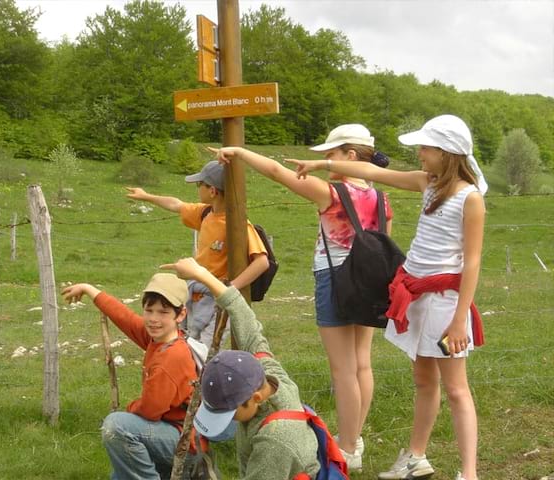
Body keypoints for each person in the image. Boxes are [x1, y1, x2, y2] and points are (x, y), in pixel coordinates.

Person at [289, 114, 486, 480]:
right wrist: (323, 163)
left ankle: (469, 473)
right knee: (424, 381)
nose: (420, 154)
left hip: (446, 303)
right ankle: (415, 457)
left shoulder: (471, 199)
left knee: (457, 389)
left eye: (426, 148)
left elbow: (472, 262)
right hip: (418, 298)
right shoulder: (427, 184)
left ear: (446, 152)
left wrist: (460, 320)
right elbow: (375, 174)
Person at [211, 124, 393, 470]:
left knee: (342, 370)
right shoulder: (382, 198)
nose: (326, 160)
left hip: (336, 279)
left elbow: (279, 173)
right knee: (362, 362)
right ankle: (354, 438)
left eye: (332, 154)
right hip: (372, 283)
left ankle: (350, 447)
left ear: (351, 156)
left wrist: (241, 153)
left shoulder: (333, 192)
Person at [160, 257, 320, 480]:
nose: (231, 420)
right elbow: (242, 315)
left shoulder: (274, 443)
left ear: (255, 397)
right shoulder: (268, 372)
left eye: (229, 413)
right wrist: (200, 273)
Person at [61, 273, 197, 480]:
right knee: (122, 471)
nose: (153, 319)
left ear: (180, 315)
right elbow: (125, 317)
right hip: (171, 433)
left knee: (117, 427)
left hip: (183, 443)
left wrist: (131, 408)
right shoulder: (162, 338)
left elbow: (150, 411)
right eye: (149, 310)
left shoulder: (171, 357)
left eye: (163, 312)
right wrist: (90, 289)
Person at [126, 160, 269, 348]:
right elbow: (176, 204)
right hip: (195, 294)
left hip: (216, 297)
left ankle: (201, 376)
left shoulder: (237, 225)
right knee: (186, 343)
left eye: (199, 184)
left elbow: (262, 262)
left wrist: (230, 290)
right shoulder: (205, 213)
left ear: (213, 191)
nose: (197, 188)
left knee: (206, 350)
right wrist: (146, 196)